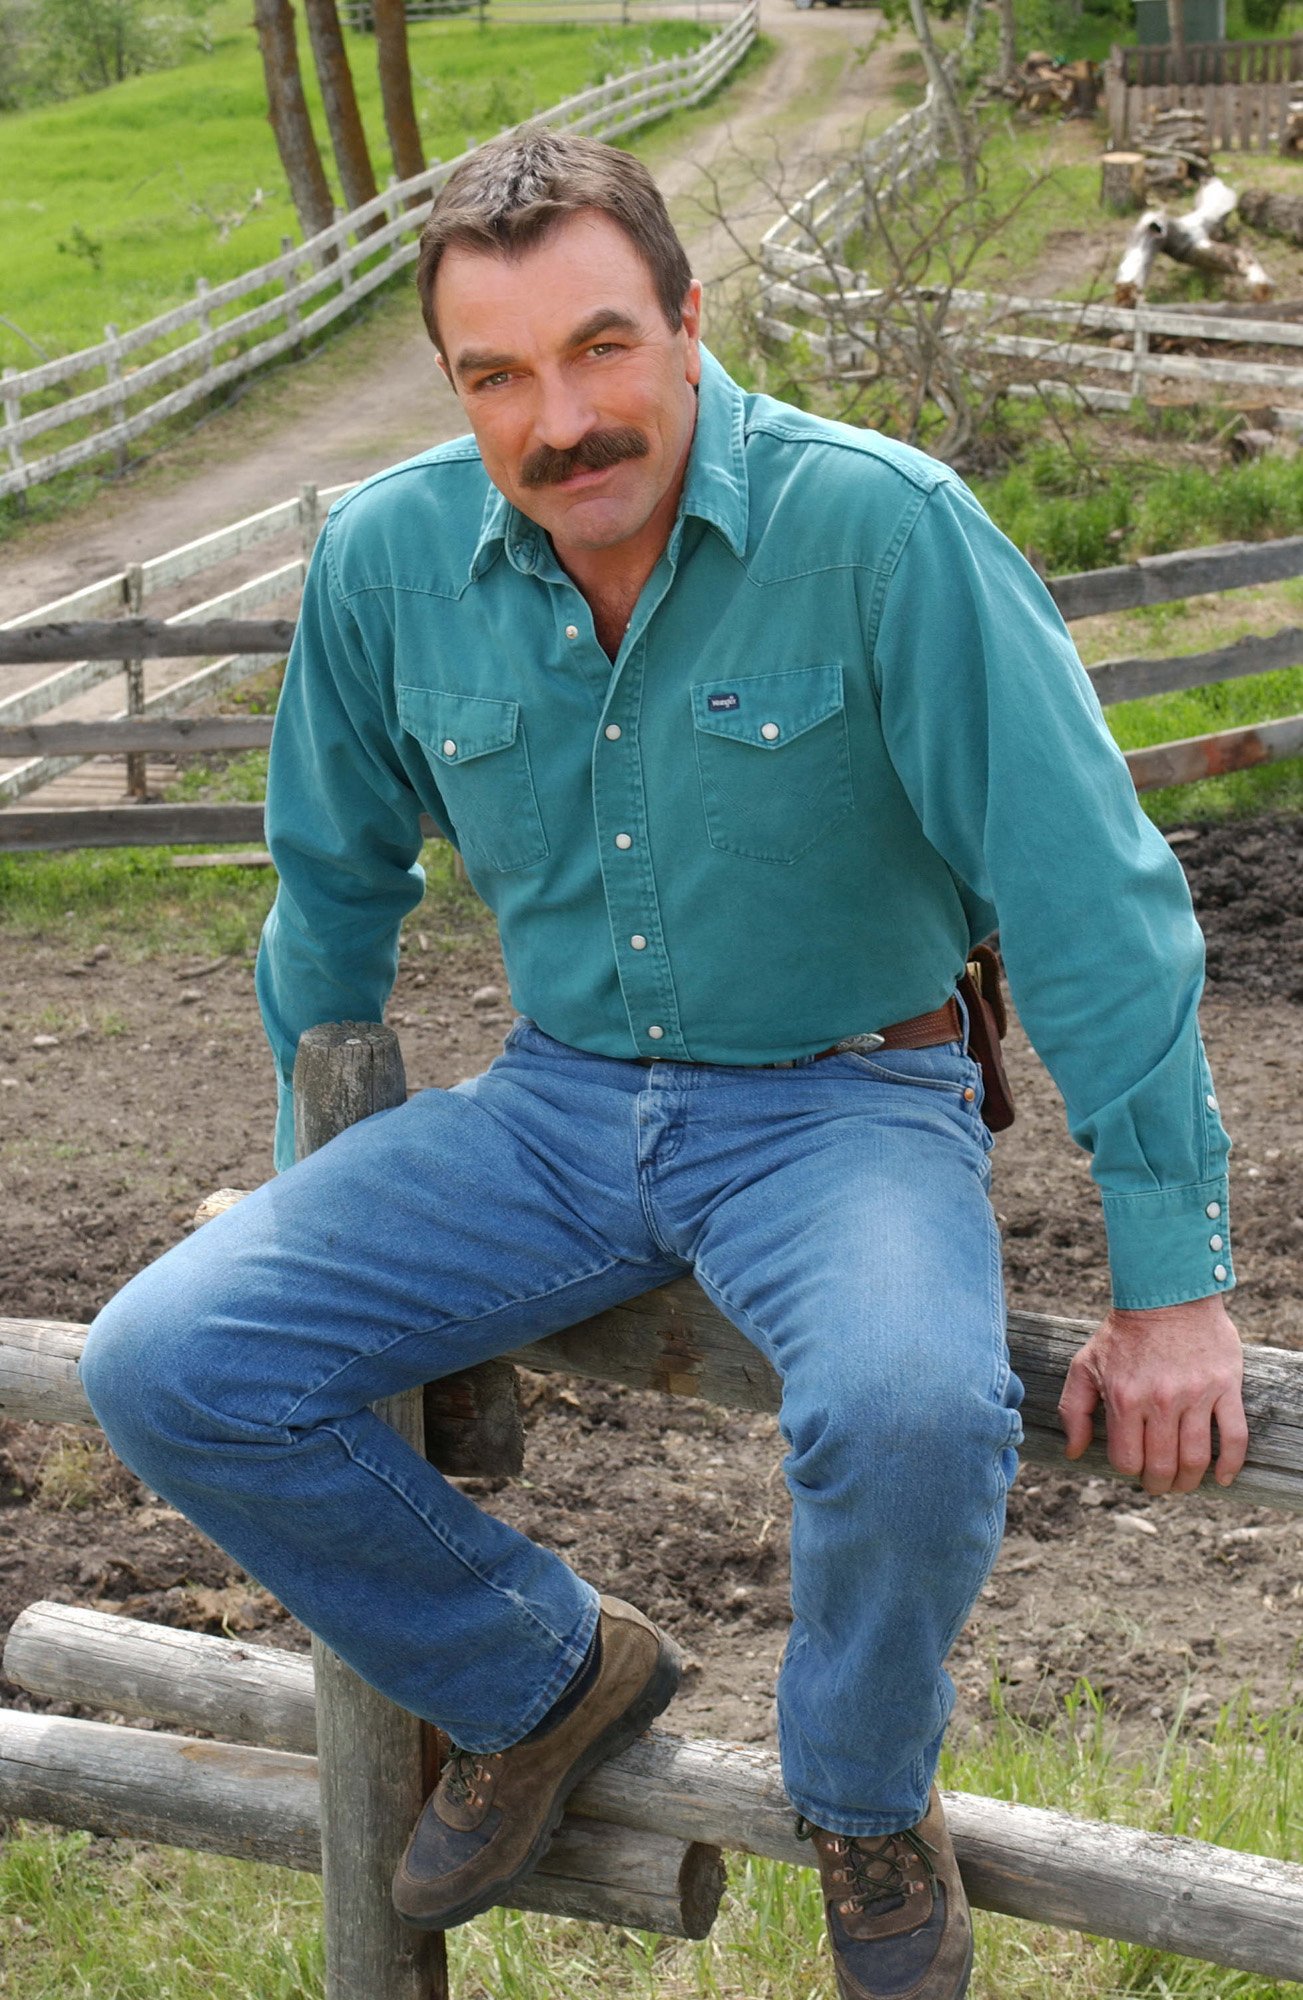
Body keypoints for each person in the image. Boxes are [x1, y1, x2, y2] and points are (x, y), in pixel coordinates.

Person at [79, 127, 1249, 2000]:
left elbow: (1092, 899)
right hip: (550, 1103)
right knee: (169, 1361)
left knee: (915, 1414)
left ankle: (862, 1799)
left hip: (846, 1101)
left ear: (691, 324)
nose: (564, 417)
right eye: (501, 377)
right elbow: (328, 898)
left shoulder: (882, 532)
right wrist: (305, 1166)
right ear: (458, 389)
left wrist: (1173, 1282)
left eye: (603, 346)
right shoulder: (389, 565)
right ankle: (543, 1674)